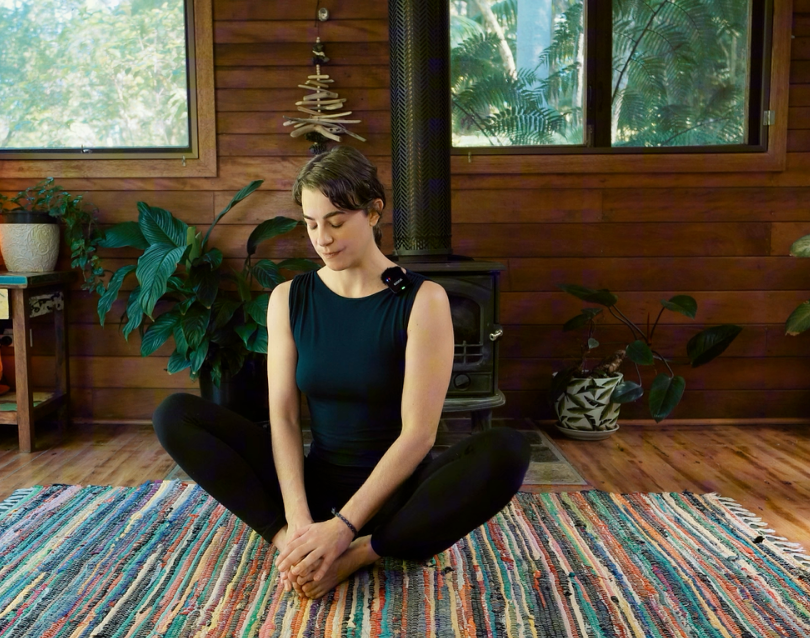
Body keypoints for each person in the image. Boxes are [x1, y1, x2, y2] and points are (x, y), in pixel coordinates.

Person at [152, 145, 531, 599]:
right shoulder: (289, 299)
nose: (322, 238)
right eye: (311, 224)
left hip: (396, 500)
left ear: (373, 213)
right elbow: (286, 418)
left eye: (335, 222)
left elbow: (419, 436)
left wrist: (343, 530)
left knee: (507, 449)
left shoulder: (422, 300)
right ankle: (297, 551)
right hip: (315, 488)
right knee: (175, 413)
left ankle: (359, 553)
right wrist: (297, 523)